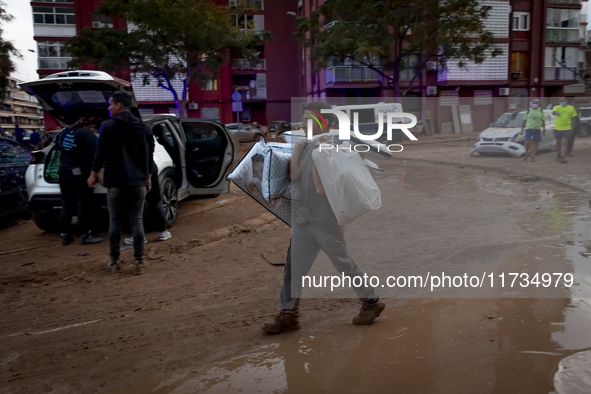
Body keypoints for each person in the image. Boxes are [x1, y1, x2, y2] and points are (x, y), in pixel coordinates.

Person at [261, 102, 385, 334]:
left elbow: (321, 188)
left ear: (319, 123)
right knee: (293, 267)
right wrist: (297, 151)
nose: (301, 124)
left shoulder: (330, 148)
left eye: (307, 120)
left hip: (325, 222)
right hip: (303, 219)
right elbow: (295, 176)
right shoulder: (306, 146)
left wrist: (322, 157)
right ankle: (288, 316)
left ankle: (371, 302)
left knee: (344, 264)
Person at [88, 91, 154, 275]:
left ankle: (114, 261)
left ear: (118, 105)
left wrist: (93, 174)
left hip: (116, 182)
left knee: (115, 221)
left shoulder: (108, 126)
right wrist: (148, 176)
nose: (108, 108)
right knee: (137, 221)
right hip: (138, 182)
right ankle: (139, 261)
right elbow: (149, 155)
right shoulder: (145, 127)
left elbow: (100, 153)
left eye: (110, 105)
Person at [57, 117, 103, 246]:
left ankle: (65, 235)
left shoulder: (66, 132)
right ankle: (85, 235)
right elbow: (100, 147)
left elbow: (59, 148)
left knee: (66, 204)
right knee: (83, 204)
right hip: (79, 174)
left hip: (63, 172)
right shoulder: (85, 133)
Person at [123, 160, 172, 245]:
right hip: (150, 168)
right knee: (155, 201)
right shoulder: (147, 146)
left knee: (136, 204)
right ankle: (163, 231)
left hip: (135, 171)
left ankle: (139, 236)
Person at [552, 97, 577, 164]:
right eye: (560, 101)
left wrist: (572, 127)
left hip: (567, 128)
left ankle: (563, 157)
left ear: (566, 101)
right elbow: (554, 112)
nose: (562, 102)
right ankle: (558, 155)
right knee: (558, 143)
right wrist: (556, 113)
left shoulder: (571, 108)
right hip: (558, 128)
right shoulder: (557, 107)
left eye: (563, 101)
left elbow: (573, 119)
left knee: (564, 141)